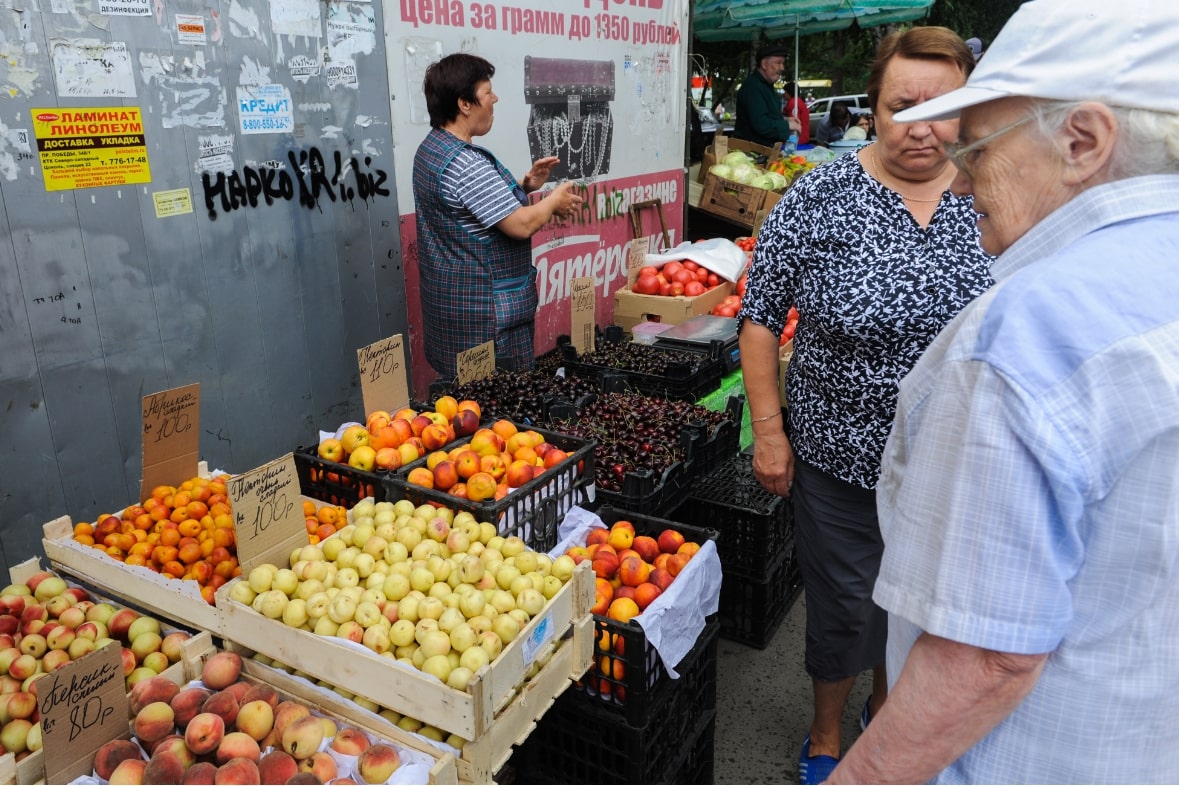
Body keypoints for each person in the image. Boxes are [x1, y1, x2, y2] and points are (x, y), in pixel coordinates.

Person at [827, 1, 1179, 783]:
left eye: (979, 150)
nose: (958, 184)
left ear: (1082, 143)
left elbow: (984, 654)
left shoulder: (1024, 334)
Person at [736, 26, 992, 786]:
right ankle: (825, 734)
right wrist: (770, 434)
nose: (921, 126)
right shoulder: (820, 194)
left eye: (943, 107)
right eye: (900, 105)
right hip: (838, 455)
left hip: (955, 463)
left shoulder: (993, 191)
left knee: (918, 609)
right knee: (846, 606)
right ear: (870, 112)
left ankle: (887, 718)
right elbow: (758, 315)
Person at [413, 53, 583, 379]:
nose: (495, 99)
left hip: (451, 309)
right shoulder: (466, 164)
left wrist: (524, 186)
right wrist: (553, 202)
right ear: (465, 104)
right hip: (487, 316)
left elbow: (469, 208)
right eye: (487, 92)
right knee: (500, 407)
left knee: (464, 407)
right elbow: (521, 225)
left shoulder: (431, 149)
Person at [733, 47, 799, 147]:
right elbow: (761, 125)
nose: (782, 68)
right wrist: (787, 125)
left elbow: (769, 116)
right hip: (752, 153)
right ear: (764, 64)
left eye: (783, 63)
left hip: (764, 150)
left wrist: (786, 120)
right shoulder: (753, 87)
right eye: (778, 63)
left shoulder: (766, 86)